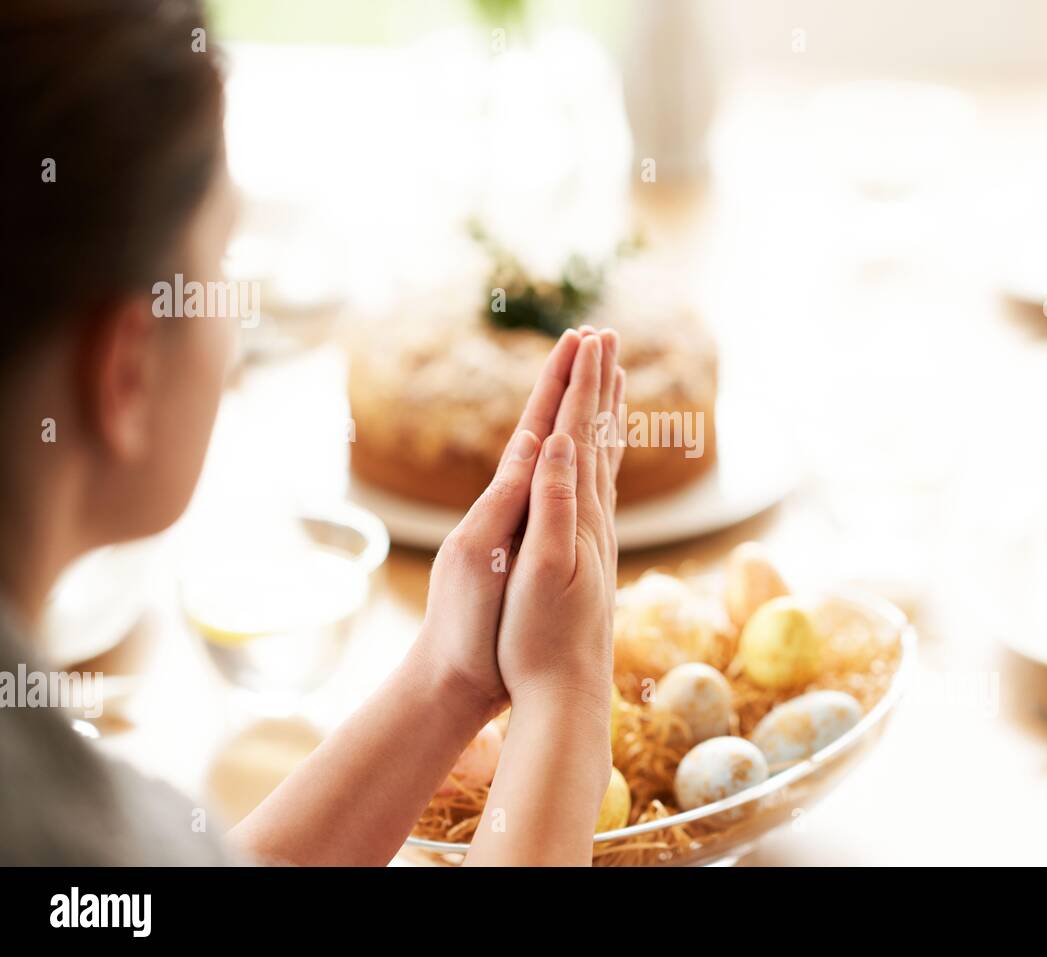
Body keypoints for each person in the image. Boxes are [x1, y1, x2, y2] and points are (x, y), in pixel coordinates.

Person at [0, 0, 623, 866]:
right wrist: (568, 692)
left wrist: (450, 675)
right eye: (218, 264)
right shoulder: (63, 829)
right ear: (127, 373)